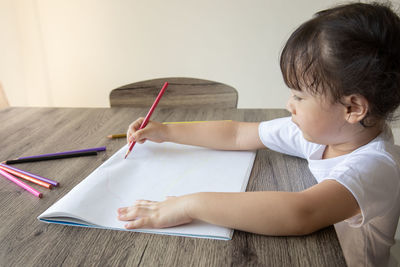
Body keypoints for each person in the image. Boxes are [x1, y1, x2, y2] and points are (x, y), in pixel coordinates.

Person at [117, 2, 400, 266]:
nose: (289, 105)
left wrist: (189, 204)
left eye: (299, 97)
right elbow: (237, 134)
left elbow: (301, 213)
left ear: (352, 108)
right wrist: (165, 131)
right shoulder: (332, 133)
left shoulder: (376, 166)